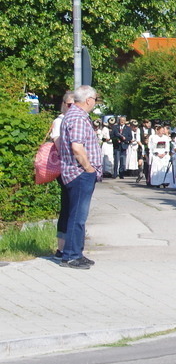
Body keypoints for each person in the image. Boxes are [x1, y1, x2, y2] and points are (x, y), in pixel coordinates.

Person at [58, 86, 102, 269]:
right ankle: (71, 256)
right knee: (77, 216)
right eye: (95, 100)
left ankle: (77, 252)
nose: (95, 103)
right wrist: (89, 168)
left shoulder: (76, 116)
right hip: (79, 173)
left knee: (77, 215)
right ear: (89, 100)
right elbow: (77, 147)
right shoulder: (77, 117)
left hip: (78, 173)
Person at [50, 91, 75, 260]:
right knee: (67, 207)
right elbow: (60, 145)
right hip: (65, 168)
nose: (72, 108)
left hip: (74, 167)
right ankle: (61, 247)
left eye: (75, 104)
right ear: (63, 104)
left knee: (74, 208)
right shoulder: (59, 121)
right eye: (69, 104)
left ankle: (71, 245)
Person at [148, 122, 174, 187]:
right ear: (158, 130)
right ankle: (156, 183)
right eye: (161, 130)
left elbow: (167, 147)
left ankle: (164, 182)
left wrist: (164, 153)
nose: (162, 132)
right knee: (156, 169)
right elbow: (151, 147)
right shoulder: (153, 137)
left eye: (163, 131)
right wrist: (157, 154)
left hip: (164, 155)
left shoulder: (165, 138)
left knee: (164, 169)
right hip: (156, 155)